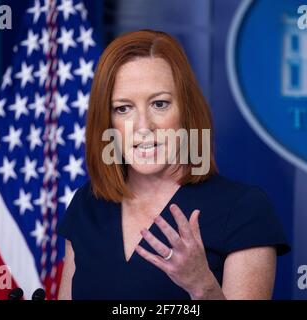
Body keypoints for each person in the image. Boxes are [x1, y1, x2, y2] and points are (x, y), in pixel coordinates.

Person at [57, 29, 290, 300]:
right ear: (106, 122)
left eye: (159, 104)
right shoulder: (87, 204)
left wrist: (203, 287)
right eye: (123, 108)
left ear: (187, 112)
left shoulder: (244, 209)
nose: (143, 127)